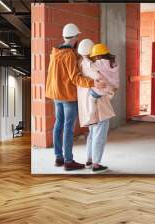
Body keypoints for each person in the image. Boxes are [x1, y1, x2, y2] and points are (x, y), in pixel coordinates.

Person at [45, 23, 107, 171]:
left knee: (58, 124)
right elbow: (75, 78)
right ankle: (68, 161)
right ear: (75, 37)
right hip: (67, 95)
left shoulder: (55, 53)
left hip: (55, 94)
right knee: (68, 127)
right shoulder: (70, 55)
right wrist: (93, 82)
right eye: (78, 36)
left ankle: (58, 158)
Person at [76, 41, 119, 173]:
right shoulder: (93, 67)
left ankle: (89, 160)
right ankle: (96, 164)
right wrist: (110, 89)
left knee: (92, 134)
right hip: (99, 105)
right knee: (99, 135)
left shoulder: (83, 64)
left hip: (89, 105)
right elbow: (103, 84)